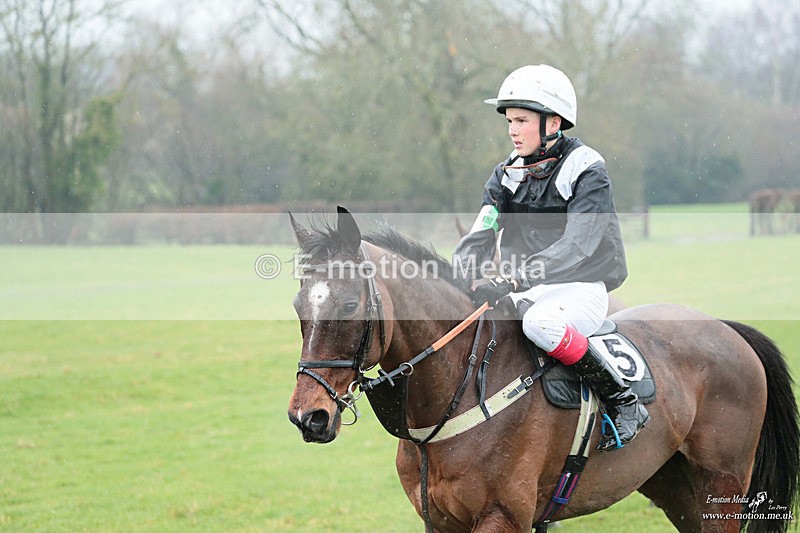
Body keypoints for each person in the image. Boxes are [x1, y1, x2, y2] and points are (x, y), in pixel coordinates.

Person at [453, 64, 648, 450]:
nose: (512, 130)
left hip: (582, 288)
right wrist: (459, 275)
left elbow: (578, 244)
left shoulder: (587, 169)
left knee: (538, 324)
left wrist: (513, 278)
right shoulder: (505, 174)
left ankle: (624, 401)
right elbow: (481, 233)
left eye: (522, 121)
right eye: (509, 121)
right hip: (530, 288)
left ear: (553, 123)